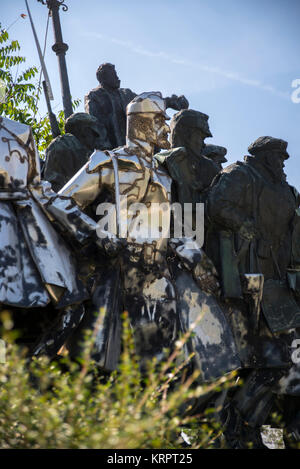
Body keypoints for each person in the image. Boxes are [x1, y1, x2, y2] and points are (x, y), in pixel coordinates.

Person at [56, 91, 240, 378]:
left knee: (160, 368)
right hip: (114, 274)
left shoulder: (164, 175)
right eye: (159, 120)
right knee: (99, 364)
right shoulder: (108, 162)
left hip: (156, 281)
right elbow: (62, 201)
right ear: (140, 123)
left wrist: (197, 258)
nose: (166, 128)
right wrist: (96, 233)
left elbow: (168, 229)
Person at [206, 136, 300, 447]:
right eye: (277, 156)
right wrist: (245, 224)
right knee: (270, 363)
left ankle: (251, 428)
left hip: (279, 283)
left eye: (284, 157)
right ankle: (237, 424)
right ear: (261, 155)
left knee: (283, 364)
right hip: (250, 281)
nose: (283, 162)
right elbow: (217, 204)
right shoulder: (241, 175)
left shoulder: (284, 190)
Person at [84, 63, 189, 150]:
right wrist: (105, 149)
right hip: (112, 151)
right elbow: (95, 124)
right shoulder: (95, 96)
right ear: (104, 78)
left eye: (116, 74)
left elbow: (147, 104)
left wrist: (171, 102)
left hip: (135, 149)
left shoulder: (126, 94)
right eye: (113, 75)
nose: (117, 77)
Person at [154, 109, 220, 207]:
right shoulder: (158, 164)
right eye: (201, 137)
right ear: (186, 135)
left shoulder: (209, 168)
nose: (203, 144)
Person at [43, 112, 108, 192]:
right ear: (84, 131)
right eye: (93, 133)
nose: (95, 137)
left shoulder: (87, 152)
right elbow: (55, 185)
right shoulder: (62, 145)